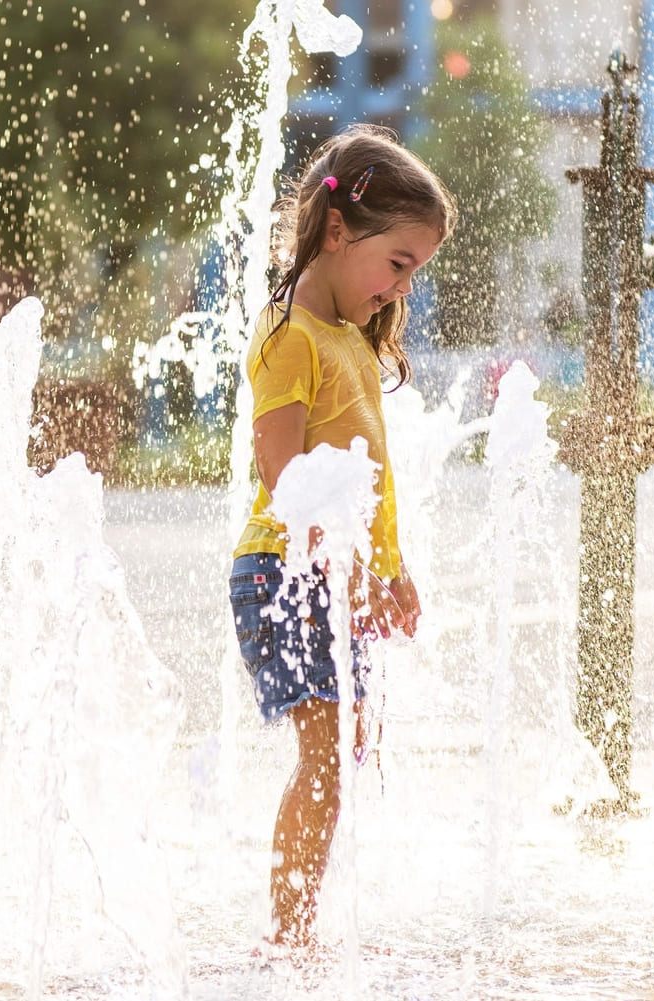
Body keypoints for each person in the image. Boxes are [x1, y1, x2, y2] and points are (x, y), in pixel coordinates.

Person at [227, 124, 456, 952]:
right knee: (324, 755)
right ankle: (289, 935)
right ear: (337, 231)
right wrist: (342, 572)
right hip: (282, 571)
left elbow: (368, 484)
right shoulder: (289, 334)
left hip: (331, 574)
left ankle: (307, 920)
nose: (401, 289)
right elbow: (284, 474)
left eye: (415, 273)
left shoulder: (350, 339)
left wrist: (388, 570)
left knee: (349, 750)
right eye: (397, 264)